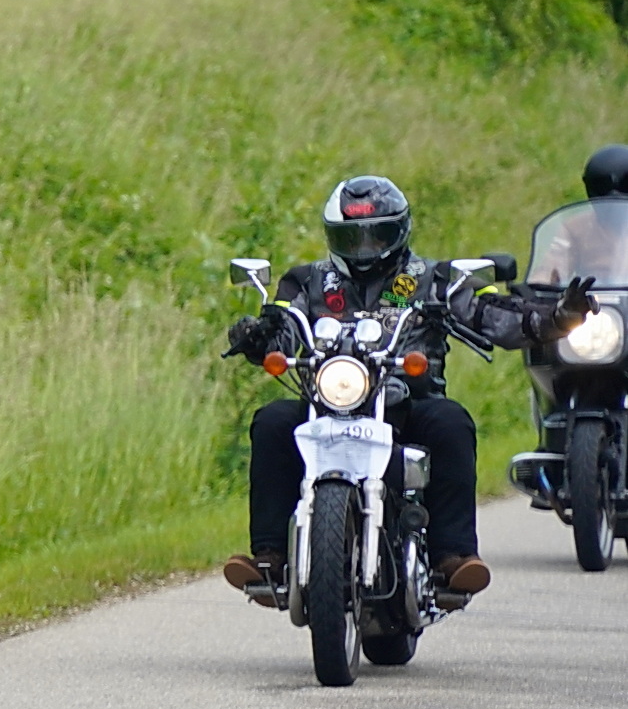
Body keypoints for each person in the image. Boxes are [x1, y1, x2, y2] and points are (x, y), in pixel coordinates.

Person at [222, 175, 593, 600]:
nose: (363, 249)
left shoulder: (437, 278)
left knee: (452, 421)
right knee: (271, 421)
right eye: (351, 237)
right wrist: (257, 335)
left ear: (399, 232)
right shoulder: (306, 281)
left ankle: (453, 556)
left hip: (408, 402)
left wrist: (559, 315)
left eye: (375, 235)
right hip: (327, 403)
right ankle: (269, 554)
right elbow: (282, 322)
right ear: (332, 236)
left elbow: (495, 313)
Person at [529, 144, 628, 286]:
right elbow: (552, 267)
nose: (613, 206)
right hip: (595, 304)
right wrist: (540, 284)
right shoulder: (576, 227)